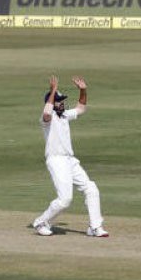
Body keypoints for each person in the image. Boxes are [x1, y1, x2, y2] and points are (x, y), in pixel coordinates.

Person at [32, 75, 108, 237]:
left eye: (62, 101)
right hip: (56, 160)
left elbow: (81, 108)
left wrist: (83, 90)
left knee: (91, 188)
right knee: (65, 200)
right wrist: (53, 91)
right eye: (58, 101)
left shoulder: (65, 115)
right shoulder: (47, 119)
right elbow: (46, 112)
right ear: (52, 103)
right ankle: (41, 222)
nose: (62, 103)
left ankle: (95, 227)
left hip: (70, 160)